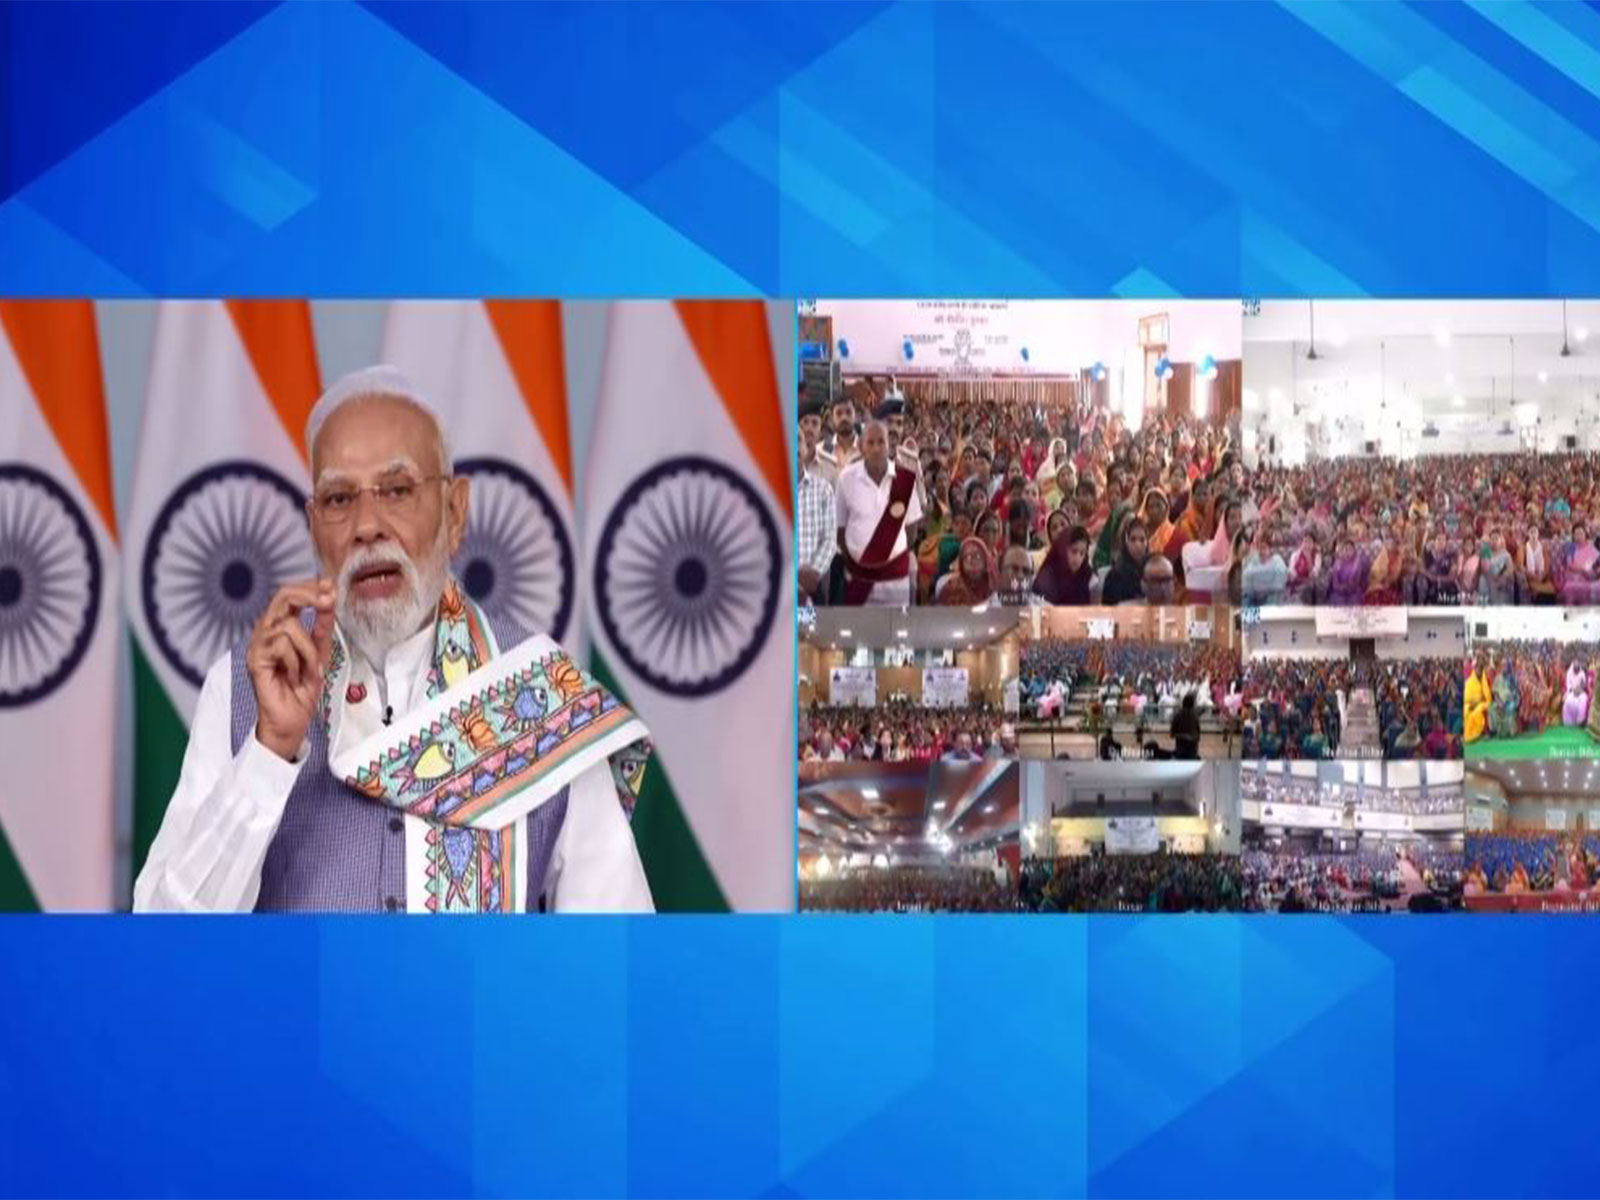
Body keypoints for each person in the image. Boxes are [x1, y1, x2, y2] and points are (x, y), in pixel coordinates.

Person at [135, 367, 654, 913]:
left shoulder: (541, 697)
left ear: (455, 513)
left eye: (398, 490)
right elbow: (166, 939)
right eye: (338, 499)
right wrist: (268, 752)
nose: (367, 525)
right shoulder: (245, 690)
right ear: (314, 528)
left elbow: (614, 954)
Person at [835, 419, 923, 605]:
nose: (876, 448)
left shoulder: (905, 480)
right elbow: (840, 530)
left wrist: (888, 552)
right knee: (856, 633)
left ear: (889, 444)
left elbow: (912, 530)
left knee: (896, 633)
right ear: (861, 446)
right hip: (858, 580)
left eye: (881, 442)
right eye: (871, 442)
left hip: (896, 582)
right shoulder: (846, 478)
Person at [795, 414, 837, 607]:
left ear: (806, 448)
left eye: (798, 441)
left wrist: (812, 573)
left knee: (808, 633)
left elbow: (829, 539)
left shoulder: (822, 490)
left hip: (813, 587)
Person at [1032, 525, 1094, 604]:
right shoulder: (1046, 580)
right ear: (1062, 549)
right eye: (1074, 551)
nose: (1078, 558)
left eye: (1082, 553)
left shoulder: (1086, 575)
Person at [1101, 517, 1150, 605]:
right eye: (1133, 539)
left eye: (1142, 540)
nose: (1138, 545)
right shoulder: (1115, 575)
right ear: (1126, 542)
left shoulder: (1153, 571)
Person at [1170, 693, 1201, 760]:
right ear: (1192, 705)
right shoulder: (1194, 716)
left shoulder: (1177, 716)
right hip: (1187, 752)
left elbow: (1172, 734)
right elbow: (1198, 735)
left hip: (1183, 752)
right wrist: (1187, 737)